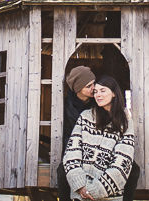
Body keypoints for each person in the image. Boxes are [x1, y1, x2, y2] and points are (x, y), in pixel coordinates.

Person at [63, 76, 135, 201]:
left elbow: (123, 160)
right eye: (95, 92)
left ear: (113, 93)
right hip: (79, 194)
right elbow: (72, 152)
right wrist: (80, 185)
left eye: (103, 91)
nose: (98, 95)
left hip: (108, 195)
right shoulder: (85, 117)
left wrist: (96, 190)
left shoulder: (125, 121)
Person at [58, 66, 97, 201]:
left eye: (94, 83)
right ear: (78, 89)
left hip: (96, 148)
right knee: (62, 171)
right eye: (88, 86)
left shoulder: (98, 103)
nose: (94, 88)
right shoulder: (66, 106)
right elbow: (66, 134)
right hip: (74, 148)